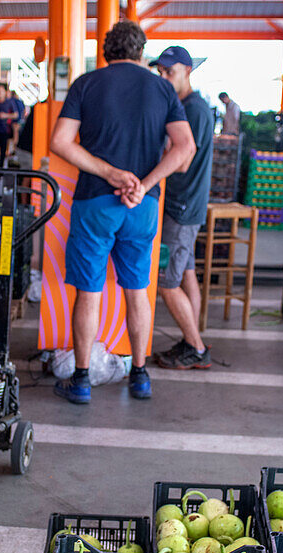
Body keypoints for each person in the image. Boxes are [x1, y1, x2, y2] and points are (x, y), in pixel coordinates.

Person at [50, 19, 195, 404]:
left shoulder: (87, 84)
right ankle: (140, 375)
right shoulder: (163, 88)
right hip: (142, 206)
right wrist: (143, 184)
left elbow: (60, 142)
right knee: (137, 291)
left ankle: (81, 380)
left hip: (95, 201)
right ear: (141, 53)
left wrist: (109, 172)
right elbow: (185, 149)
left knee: (89, 292)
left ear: (106, 53)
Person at [151, 46, 213, 370]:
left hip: (182, 203)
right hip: (187, 203)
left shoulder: (192, 109)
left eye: (169, 72)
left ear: (187, 70)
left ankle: (196, 347)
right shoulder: (190, 105)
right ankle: (194, 338)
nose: (163, 77)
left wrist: (149, 173)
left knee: (167, 284)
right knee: (186, 272)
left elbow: (183, 159)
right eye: (159, 71)